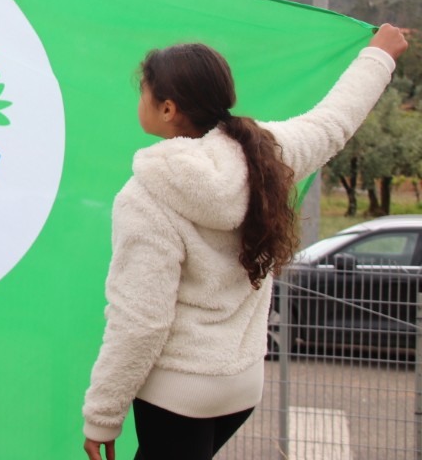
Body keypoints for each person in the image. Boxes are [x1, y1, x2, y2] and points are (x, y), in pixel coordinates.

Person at [81, 24, 409, 460]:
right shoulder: (264, 152)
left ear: (167, 109)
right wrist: (380, 55)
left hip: (178, 393)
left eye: (143, 92)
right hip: (241, 386)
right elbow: (335, 121)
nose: (138, 100)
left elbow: (141, 320)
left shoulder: (145, 196)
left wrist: (103, 415)